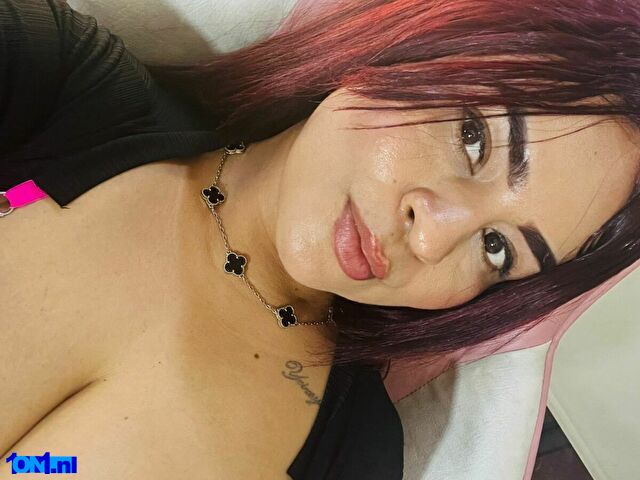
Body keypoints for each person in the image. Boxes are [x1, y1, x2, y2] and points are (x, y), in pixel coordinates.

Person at [1, 0, 638, 479]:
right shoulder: (64, 84)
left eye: (497, 248)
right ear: (416, 50)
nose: (433, 236)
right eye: (474, 139)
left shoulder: (352, 455)